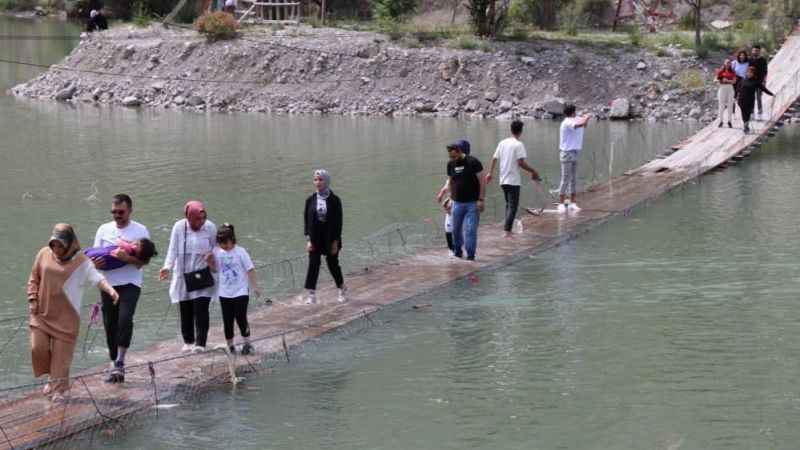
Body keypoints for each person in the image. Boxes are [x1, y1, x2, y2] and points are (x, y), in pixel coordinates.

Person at [28, 224, 119, 401]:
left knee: (61, 359)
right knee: (37, 348)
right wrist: (32, 299)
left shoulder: (81, 261)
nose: (56, 248)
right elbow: (34, 278)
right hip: (41, 313)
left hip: (67, 318)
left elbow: (97, 278)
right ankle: (52, 377)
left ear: (70, 244)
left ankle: (59, 390)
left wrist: (111, 290)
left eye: (60, 245)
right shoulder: (43, 254)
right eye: (53, 244)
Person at [91, 194, 153, 383]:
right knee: (110, 324)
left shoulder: (140, 230)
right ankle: (113, 362)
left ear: (130, 211)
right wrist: (96, 264)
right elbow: (93, 257)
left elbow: (144, 262)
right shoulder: (103, 229)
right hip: (107, 284)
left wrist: (127, 259)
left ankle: (120, 361)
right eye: (114, 212)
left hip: (130, 284)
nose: (117, 215)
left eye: (121, 212)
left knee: (125, 319)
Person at [160, 201, 217, 353]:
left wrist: (212, 256)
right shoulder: (179, 227)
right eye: (197, 219)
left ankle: (200, 343)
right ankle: (188, 341)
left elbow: (217, 247)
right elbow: (172, 249)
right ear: (188, 217)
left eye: (203, 218)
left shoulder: (210, 227)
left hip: (202, 273)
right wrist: (167, 267)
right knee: (185, 309)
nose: (201, 222)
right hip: (183, 274)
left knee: (201, 308)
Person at [208, 223, 260, 355]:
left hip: (240, 291)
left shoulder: (240, 251)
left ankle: (247, 343)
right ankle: (230, 346)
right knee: (227, 320)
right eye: (222, 244)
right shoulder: (217, 252)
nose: (225, 246)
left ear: (232, 240)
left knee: (241, 317)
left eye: (227, 243)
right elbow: (215, 270)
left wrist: (255, 287)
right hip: (224, 292)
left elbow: (250, 269)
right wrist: (209, 263)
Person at [485, 120, 542, 238]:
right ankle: (507, 232)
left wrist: (490, 173)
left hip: (503, 180)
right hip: (513, 181)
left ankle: (508, 228)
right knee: (513, 207)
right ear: (521, 131)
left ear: (511, 130)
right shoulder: (518, 144)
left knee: (508, 205)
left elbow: (494, 158)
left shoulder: (502, 143)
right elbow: (520, 163)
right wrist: (533, 171)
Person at [302, 169, 346, 305]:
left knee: (332, 264)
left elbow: (339, 222)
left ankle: (341, 289)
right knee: (313, 263)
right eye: (315, 179)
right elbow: (306, 221)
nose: (318, 182)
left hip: (330, 237)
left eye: (320, 179)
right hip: (315, 238)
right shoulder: (310, 200)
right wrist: (308, 239)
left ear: (326, 181)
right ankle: (311, 295)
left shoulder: (335, 200)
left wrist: (335, 242)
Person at [446, 142, 485, 260]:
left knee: (470, 230)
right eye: (450, 157)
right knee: (455, 230)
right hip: (457, 202)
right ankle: (457, 252)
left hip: (472, 203)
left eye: (454, 156)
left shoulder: (473, 162)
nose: (452, 159)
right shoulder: (450, 164)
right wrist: (449, 199)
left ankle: (470, 255)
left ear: (459, 151)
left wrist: (481, 199)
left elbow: (482, 181)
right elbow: (450, 181)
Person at [558, 105, 591, 214]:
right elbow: (581, 124)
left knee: (573, 179)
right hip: (566, 153)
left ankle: (573, 202)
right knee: (565, 179)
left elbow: (584, 125)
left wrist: (585, 118)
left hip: (575, 152)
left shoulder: (575, 119)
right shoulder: (567, 122)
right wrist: (587, 117)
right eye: (575, 111)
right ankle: (561, 203)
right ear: (572, 112)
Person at [738, 65, 774, 134]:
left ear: (753, 74)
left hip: (750, 100)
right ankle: (746, 125)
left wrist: (771, 94)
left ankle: (746, 125)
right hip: (741, 99)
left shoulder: (756, 82)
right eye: (748, 72)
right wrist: (736, 96)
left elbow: (763, 89)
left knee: (748, 113)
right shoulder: (743, 80)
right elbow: (738, 88)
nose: (749, 73)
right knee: (743, 113)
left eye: (751, 72)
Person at [84, 238, 157, 271]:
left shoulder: (127, 250)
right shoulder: (131, 254)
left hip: (103, 258)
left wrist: (128, 257)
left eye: (136, 249)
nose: (134, 247)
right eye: (136, 244)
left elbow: (119, 241)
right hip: (96, 256)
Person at [716, 58, 737, 128]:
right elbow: (716, 79)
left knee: (730, 105)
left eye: (729, 63)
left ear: (730, 64)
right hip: (722, 88)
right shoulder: (720, 71)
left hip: (730, 88)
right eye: (727, 62)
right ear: (724, 63)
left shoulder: (732, 71)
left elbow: (734, 81)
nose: (728, 64)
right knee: (721, 105)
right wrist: (721, 80)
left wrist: (727, 80)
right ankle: (721, 121)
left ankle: (729, 121)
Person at [750, 45, 769, 119]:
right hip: (751, 81)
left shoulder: (762, 60)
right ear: (752, 51)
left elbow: (765, 71)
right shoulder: (750, 59)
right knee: (751, 97)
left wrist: (764, 81)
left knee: (759, 97)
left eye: (757, 51)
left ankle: (760, 111)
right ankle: (751, 111)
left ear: (759, 51)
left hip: (760, 81)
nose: (755, 52)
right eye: (754, 50)